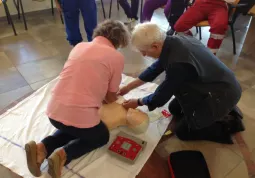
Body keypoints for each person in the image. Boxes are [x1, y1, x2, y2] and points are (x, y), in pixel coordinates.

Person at [25, 20, 130, 178]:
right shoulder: (116, 57)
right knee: (100, 136)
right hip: (78, 119)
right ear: (119, 41)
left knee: (74, 126)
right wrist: (115, 97)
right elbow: (110, 96)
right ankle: (64, 155)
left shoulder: (79, 46)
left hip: (54, 112)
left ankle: (42, 148)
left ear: (99, 33)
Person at [119, 22, 244, 144]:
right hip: (218, 83)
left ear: (155, 46)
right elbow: (154, 69)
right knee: (174, 108)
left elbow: (161, 96)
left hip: (221, 93)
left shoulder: (177, 63)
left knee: (183, 132)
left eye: (144, 51)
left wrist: (138, 102)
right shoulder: (173, 41)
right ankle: (219, 111)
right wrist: (128, 88)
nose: (144, 54)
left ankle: (229, 124)